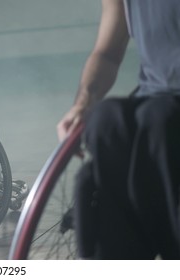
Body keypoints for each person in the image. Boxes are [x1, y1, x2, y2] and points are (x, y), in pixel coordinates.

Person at [57, 0, 180, 259]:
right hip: (155, 100)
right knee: (106, 121)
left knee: (160, 122)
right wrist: (83, 104)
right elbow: (107, 54)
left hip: (164, 113)